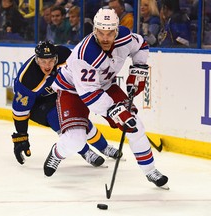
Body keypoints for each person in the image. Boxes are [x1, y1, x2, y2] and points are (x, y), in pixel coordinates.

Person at [44, 8, 169, 189]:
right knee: (75, 140)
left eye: (109, 33)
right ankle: (57, 153)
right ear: (94, 30)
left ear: (116, 30)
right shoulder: (85, 55)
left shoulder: (125, 37)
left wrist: (139, 67)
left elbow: (141, 45)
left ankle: (150, 171)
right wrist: (115, 110)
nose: (104, 37)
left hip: (104, 85)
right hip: (73, 90)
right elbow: (89, 95)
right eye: (100, 32)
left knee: (135, 125)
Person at [11, 40, 122, 167]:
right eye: (43, 61)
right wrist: (21, 137)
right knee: (57, 119)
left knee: (78, 118)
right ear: (37, 60)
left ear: (56, 58)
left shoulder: (65, 55)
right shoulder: (28, 79)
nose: (47, 66)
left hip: (60, 92)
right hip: (38, 104)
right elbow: (20, 111)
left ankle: (104, 147)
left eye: (51, 61)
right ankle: (86, 152)